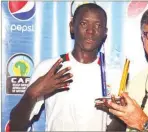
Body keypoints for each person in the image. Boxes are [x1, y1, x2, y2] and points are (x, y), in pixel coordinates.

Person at [9, 3, 115, 131]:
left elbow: (115, 128)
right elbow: (15, 126)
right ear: (72, 27)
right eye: (83, 23)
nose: (90, 31)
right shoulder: (50, 68)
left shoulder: (113, 74)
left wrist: (119, 117)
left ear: (105, 32)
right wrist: (31, 95)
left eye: (98, 25)